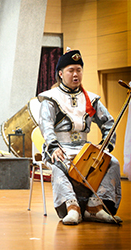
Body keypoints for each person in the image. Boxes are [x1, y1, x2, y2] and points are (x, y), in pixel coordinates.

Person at [37, 48, 122, 225]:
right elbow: (46, 124)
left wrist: (105, 145)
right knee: (60, 164)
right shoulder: (51, 98)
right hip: (59, 146)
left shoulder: (91, 99)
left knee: (112, 162)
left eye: (79, 70)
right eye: (71, 70)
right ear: (60, 73)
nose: (76, 74)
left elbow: (109, 123)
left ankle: (96, 207)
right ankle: (71, 207)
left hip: (84, 147)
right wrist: (53, 146)